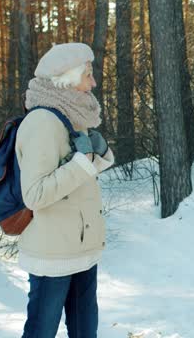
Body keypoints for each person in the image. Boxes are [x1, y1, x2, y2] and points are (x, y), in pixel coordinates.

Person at [16, 42, 114, 337]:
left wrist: (96, 156)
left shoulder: (73, 117)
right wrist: (82, 162)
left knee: (85, 331)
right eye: (88, 75)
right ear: (69, 77)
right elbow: (34, 194)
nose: (93, 83)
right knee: (41, 331)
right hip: (53, 254)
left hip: (81, 248)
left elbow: (77, 178)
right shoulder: (42, 121)